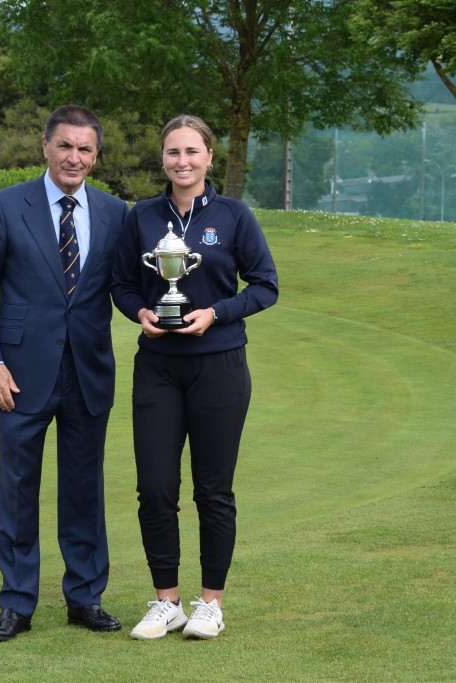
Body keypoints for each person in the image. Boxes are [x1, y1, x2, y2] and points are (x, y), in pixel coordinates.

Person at [0, 105, 128, 642]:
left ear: (96, 156)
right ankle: (16, 603)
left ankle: (84, 597)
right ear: (45, 146)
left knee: (84, 491)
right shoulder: (6, 206)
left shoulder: (113, 213)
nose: (74, 157)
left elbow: (124, 288)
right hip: (18, 375)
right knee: (16, 490)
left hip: (88, 373)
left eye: (85, 149)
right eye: (65, 146)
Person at [111, 114, 278, 640]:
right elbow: (121, 285)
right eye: (173, 153)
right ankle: (166, 603)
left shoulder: (233, 215)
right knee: (156, 488)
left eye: (192, 152)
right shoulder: (141, 216)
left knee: (213, 490)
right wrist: (139, 314)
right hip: (157, 366)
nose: (182, 162)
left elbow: (265, 286)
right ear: (162, 159)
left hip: (220, 364)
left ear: (209, 157)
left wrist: (218, 313)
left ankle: (211, 603)